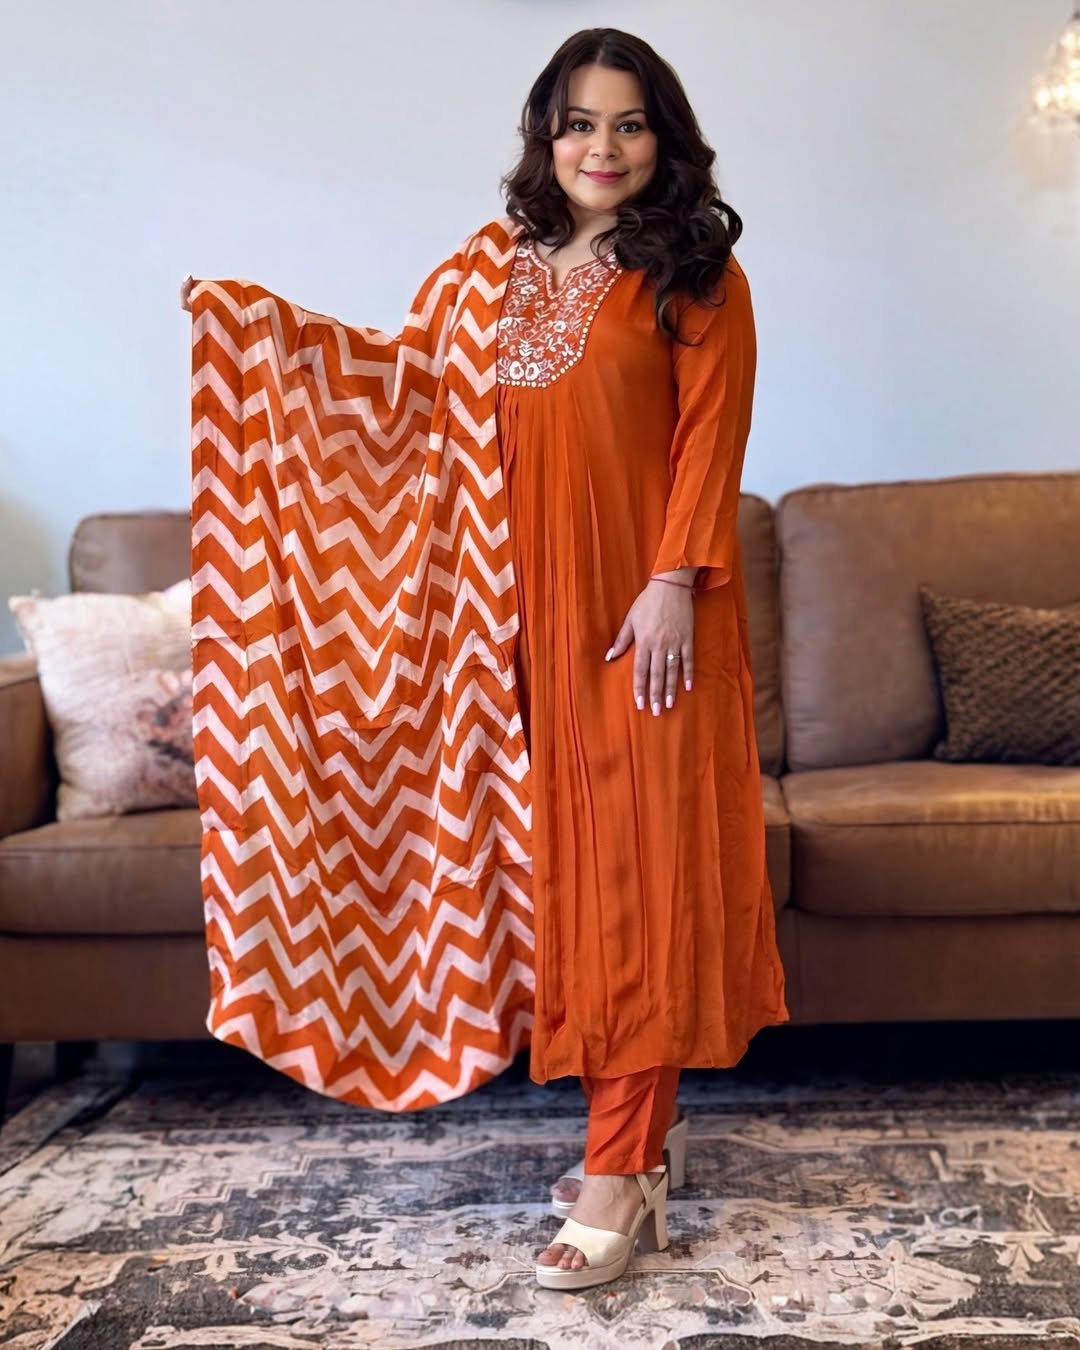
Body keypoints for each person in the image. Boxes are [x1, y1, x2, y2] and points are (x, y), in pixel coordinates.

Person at [182, 25, 788, 1293]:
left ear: (663, 138)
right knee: (567, 889)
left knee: (644, 888)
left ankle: (616, 1175)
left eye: (628, 124)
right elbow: (398, 393)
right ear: (544, 136)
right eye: (579, 122)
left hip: (644, 622)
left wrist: (677, 580)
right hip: (506, 626)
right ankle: (645, 1148)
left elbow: (709, 439)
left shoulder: (695, 273)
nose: (603, 147)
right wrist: (261, 335)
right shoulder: (483, 273)